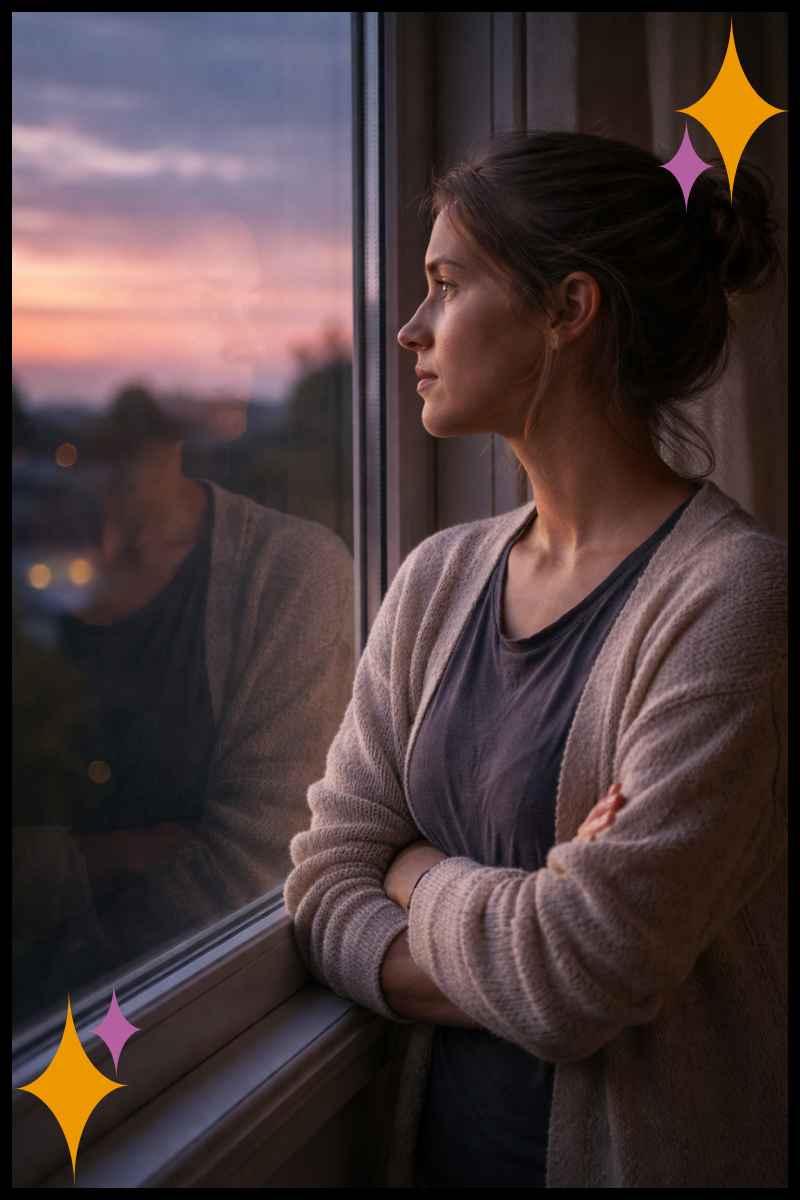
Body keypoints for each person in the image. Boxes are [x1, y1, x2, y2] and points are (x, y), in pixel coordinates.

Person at [285, 132, 787, 1188]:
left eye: (446, 283)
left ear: (567, 309)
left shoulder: (733, 600)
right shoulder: (435, 581)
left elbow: (577, 977)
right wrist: (530, 930)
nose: (409, 327)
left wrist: (415, 872)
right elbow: (324, 886)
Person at [12, 214, 354, 1020]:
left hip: (153, 1045)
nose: (246, 342)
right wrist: (106, 859)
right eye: (209, 307)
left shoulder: (286, 572)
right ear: (127, 328)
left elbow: (256, 872)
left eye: (248, 308)